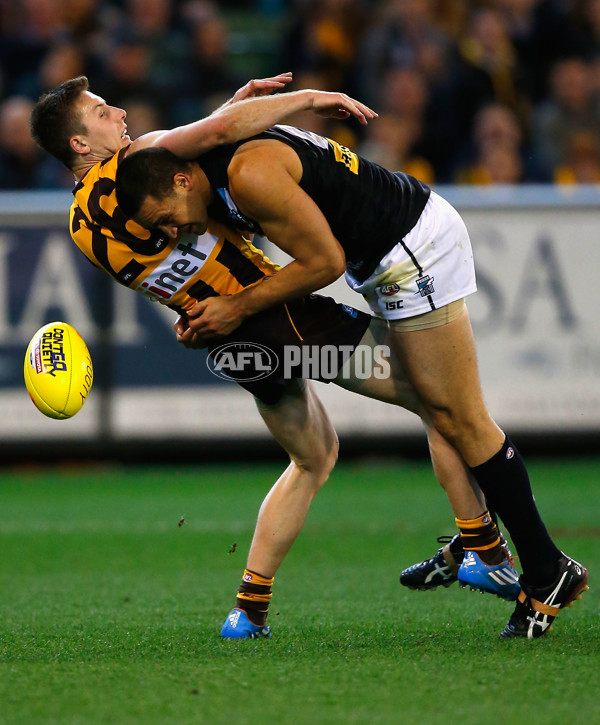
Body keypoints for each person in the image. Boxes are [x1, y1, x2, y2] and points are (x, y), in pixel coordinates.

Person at [29, 75, 518, 639]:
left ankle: (248, 611)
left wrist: (232, 110)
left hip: (230, 343)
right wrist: (306, 100)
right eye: (98, 111)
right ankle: (481, 544)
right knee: (441, 399)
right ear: (80, 146)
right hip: (281, 320)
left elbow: (192, 184)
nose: (116, 110)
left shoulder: (79, 224)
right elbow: (212, 136)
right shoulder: (132, 165)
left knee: (312, 460)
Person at [114, 125, 589, 640]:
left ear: (183, 181)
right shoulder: (216, 167)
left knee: (458, 414)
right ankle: (480, 546)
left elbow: (325, 262)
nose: (171, 230)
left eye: (165, 218)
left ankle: (542, 568)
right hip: (386, 255)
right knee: (441, 408)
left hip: (414, 249)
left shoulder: (246, 174)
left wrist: (237, 308)